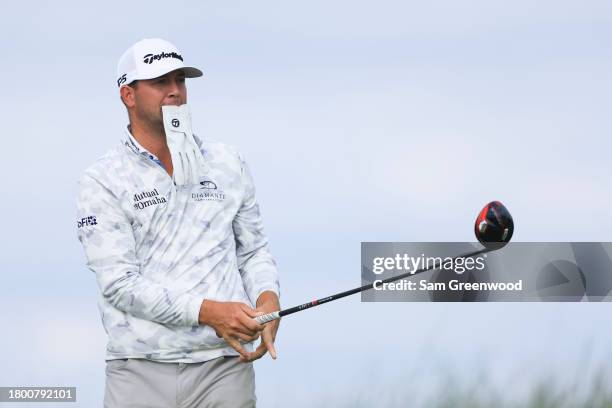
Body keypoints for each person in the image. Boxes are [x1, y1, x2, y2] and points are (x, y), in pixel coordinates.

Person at [76, 38, 280, 408]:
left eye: (180, 81)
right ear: (128, 95)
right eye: (160, 82)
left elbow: (253, 251)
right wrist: (209, 312)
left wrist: (268, 297)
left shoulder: (227, 162)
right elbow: (119, 284)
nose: (175, 91)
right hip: (138, 368)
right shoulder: (103, 180)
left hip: (224, 366)